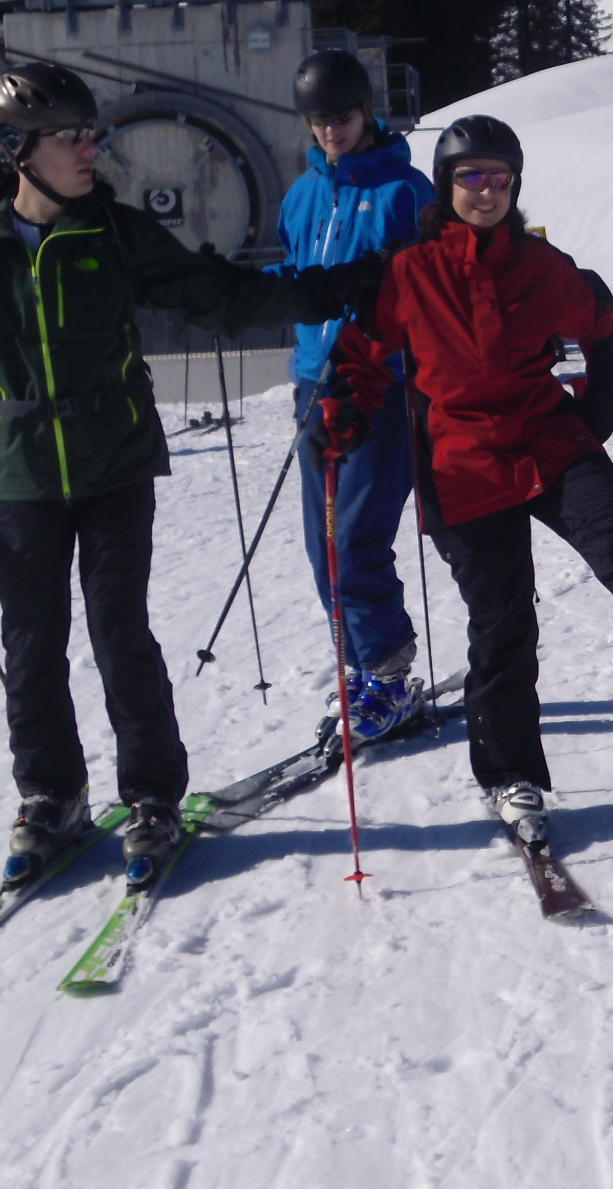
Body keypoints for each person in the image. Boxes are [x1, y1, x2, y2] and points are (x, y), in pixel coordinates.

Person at [0, 61, 382, 886]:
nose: (91, 148)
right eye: (70, 136)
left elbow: (220, 296)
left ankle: (151, 798)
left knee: (119, 633)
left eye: (91, 133)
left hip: (114, 461)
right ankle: (50, 795)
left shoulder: (114, 232)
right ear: (19, 149)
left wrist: (334, 290)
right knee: (28, 642)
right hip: (18, 473)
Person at [323, 116, 613, 844]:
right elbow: (361, 352)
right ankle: (508, 773)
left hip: (547, 439)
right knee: (503, 621)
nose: (486, 191)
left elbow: (598, 322)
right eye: (471, 177)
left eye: (500, 177)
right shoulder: (411, 271)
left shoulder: (541, 265)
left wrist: (601, 396)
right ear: (447, 184)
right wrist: (346, 410)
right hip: (462, 465)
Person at [272, 51, 437, 744]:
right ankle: (362, 666)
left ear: (367, 111)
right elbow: (291, 273)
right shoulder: (301, 195)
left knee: (356, 537)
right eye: (317, 120)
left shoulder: (407, 192)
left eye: (340, 116)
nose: (330, 131)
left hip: (382, 385)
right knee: (323, 544)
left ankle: (389, 675)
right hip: (316, 383)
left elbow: (432, 291)